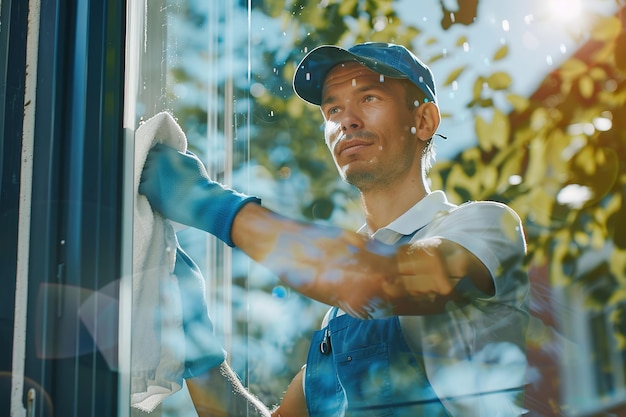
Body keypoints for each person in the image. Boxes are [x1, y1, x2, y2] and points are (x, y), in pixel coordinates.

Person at [139, 42, 530, 416]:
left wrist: (212, 205)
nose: (347, 120)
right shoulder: (337, 326)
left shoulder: (485, 228)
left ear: (424, 120)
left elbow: (377, 281)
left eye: (369, 99)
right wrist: (194, 338)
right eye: (332, 110)